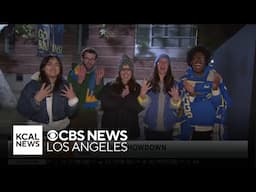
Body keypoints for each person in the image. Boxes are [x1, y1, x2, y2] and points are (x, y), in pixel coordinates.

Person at [176, 46, 232, 140]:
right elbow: (177, 107)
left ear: (206, 61)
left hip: (212, 132)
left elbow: (225, 104)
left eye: (201, 58)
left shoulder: (216, 78)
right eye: (194, 58)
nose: (197, 61)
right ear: (190, 61)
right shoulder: (183, 81)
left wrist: (215, 89)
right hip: (188, 131)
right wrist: (191, 95)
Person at [17, 55, 79, 131]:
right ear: (43, 68)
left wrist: (72, 101)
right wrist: (36, 100)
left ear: (60, 69)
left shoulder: (66, 86)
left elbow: (71, 114)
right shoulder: (31, 86)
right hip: (35, 130)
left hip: (62, 129)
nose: (53, 67)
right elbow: (22, 111)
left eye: (57, 64)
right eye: (49, 64)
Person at [99, 55, 143, 139]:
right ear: (119, 71)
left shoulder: (137, 87)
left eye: (128, 69)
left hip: (130, 131)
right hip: (111, 131)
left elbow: (137, 108)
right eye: (123, 69)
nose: (126, 72)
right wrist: (121, 96)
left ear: (132, 72)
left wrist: (142, 96)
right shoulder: (110, 86)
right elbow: (105, 105)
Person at [137, 53, 180, 140]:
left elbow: (176, 109)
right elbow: (144, 106)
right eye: (160, 62)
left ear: (169, 66)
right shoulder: (148, 83)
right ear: (156, 65)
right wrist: (142, 96)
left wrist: (176, 101)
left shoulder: (175, 84)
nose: (163, 64)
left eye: (166, 62)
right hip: (150, 128)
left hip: (168, 129)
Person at [68, 47, 104, 130]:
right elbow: (70, 95)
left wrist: (98, 83)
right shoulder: (73, 73)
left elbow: (99, 96)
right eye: (87, 58)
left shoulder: (98, 74)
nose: (89, 61)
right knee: (74, 142)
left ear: (95, 60)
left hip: (91, 116)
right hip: (75, 115)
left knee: (90, 142)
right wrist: (79, 81)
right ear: (82, 58)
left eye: (92, 59)